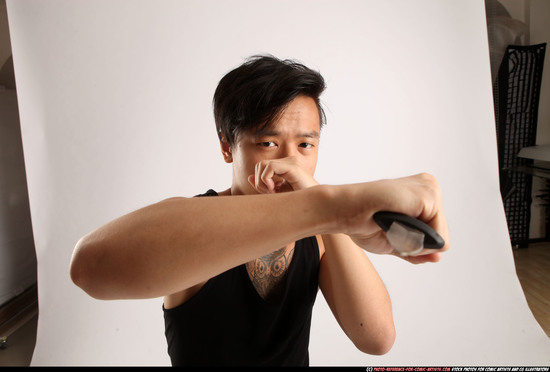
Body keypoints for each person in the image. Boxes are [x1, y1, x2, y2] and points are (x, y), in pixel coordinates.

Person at [69, 54, 450, 366]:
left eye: (306, 145)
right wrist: (335, 205)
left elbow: (377, 338)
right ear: (226, 146)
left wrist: (328, 210)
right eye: (268, 143)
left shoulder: (321, 227)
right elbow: (89, 267)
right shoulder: (191, 223)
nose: (291, 162)